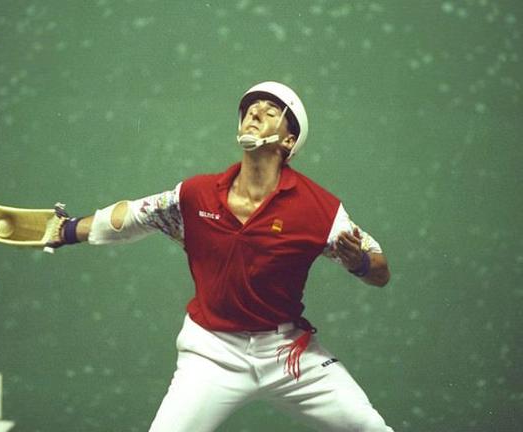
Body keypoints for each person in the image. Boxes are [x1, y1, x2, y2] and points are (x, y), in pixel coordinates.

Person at [50, 82, 394, 432]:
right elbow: (132, 216)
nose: (255, 113)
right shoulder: (196, 195)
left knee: (370, 427)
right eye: (250, 109)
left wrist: (360, 263)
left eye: (270, 112)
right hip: (211, 353)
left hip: (287, 354)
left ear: (289, 142)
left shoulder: (318, 208)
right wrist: (67, 229)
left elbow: (379, 269)